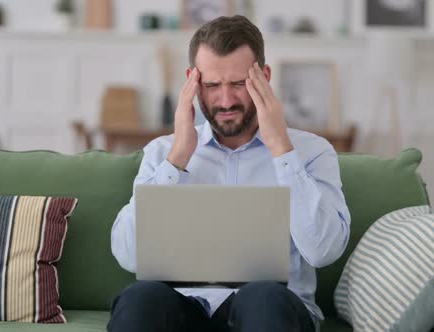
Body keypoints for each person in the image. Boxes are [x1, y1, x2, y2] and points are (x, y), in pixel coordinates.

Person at [108, 15, 350, 332]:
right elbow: (128, 256)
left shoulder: (312, 151)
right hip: (185, 311)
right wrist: (178, 158)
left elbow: (323, 251)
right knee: (140, 297)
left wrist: (281, 149)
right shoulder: (163, 152)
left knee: (262, 294)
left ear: (263, 76)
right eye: (211, 85)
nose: (225, 101)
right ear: (192, 82)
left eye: (238, 84)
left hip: (271, 310)